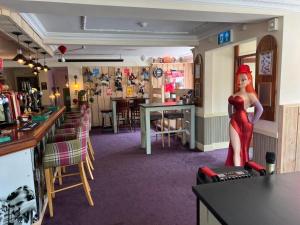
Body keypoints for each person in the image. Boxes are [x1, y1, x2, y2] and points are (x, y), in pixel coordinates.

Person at [225, 64, 263, 166]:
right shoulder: (235, 94)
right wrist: (230, 115)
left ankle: (242, 172)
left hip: (246, 124)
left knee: (243, 148)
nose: (240, 81)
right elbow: (230, 104)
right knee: (236, 149)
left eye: (243, 79)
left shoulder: (250, 95)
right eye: (238, 79)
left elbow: (260, 109)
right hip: (234, 122)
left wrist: (253, 121)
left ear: (249, 81)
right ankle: (237, 173)